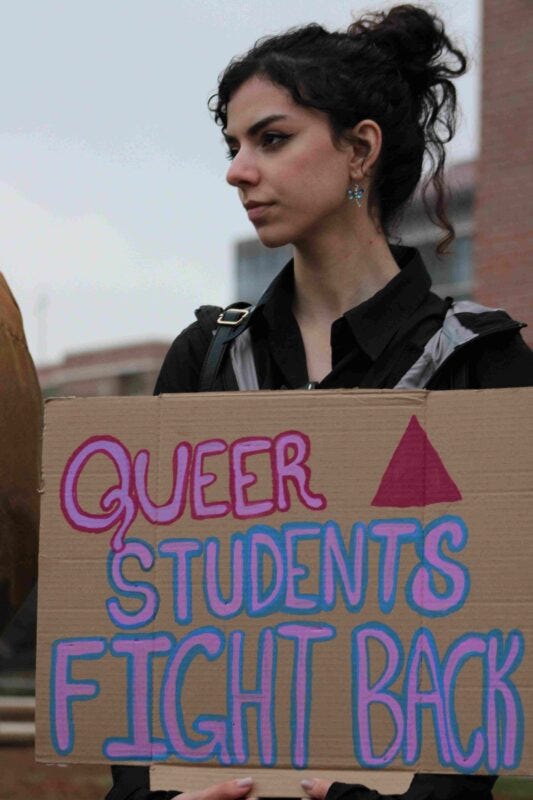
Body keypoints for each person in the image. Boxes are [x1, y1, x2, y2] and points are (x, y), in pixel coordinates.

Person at [108, 4, 533, 800]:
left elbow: (497, 653)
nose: (238, 170)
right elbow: (143, 634)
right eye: (232, 146)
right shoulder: (203, 360)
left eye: (270, 140)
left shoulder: (484, 368)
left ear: (359, 149)